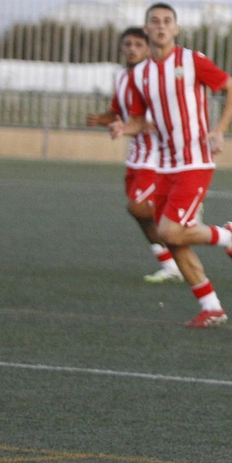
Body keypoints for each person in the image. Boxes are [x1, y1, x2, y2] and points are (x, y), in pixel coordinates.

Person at [109, 3, 232, 328]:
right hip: (163, 165)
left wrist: (220, 129)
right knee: (172, 239)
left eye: (167, 21)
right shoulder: (139, 75)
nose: (161, 26)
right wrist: (123, 128)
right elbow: (140, 120)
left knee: (170, 231)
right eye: (154, 21)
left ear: (176, 29)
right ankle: (212, 307)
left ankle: (227, 236)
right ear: (146, 29)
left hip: (195, 160)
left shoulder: (192, 60)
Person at [85, 26, 179, 283]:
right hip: (135, 157)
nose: (132, 49)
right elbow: (119, 112)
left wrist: (131, 127)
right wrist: (102, 119)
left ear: (149, 48)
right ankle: (171, 265)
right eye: (128, 44)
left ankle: (187, 222)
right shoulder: (121, 77)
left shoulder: (155, 78)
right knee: (139, 214)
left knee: (138, 208)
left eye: (139, 45)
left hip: (156, 157)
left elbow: (162, 119)